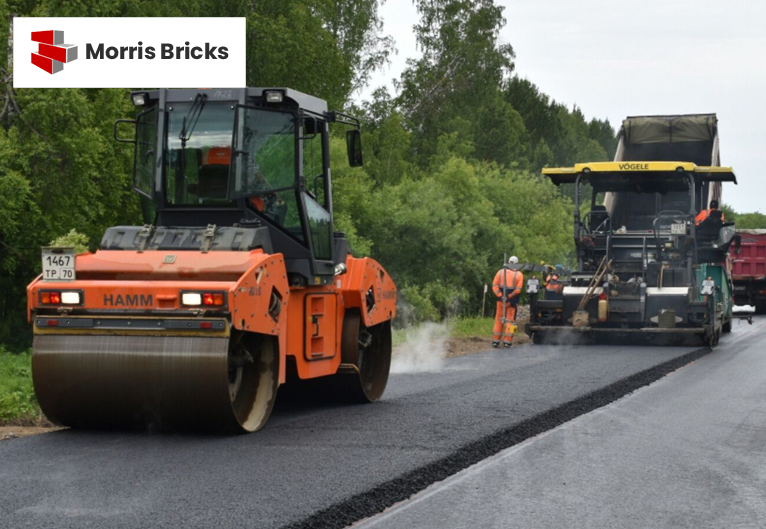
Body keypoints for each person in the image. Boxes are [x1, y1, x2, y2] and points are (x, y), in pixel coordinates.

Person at [492, 256, 524, 348]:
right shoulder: (519, 274)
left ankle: (495, 341)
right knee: (510, 321)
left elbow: (494, 285)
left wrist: (500, 296)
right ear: (517, 264)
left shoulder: (500, 272)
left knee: (498, 320)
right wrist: (509, 297)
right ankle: (507, 341)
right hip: (512, 302)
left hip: (500, 301)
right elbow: (518, 290)